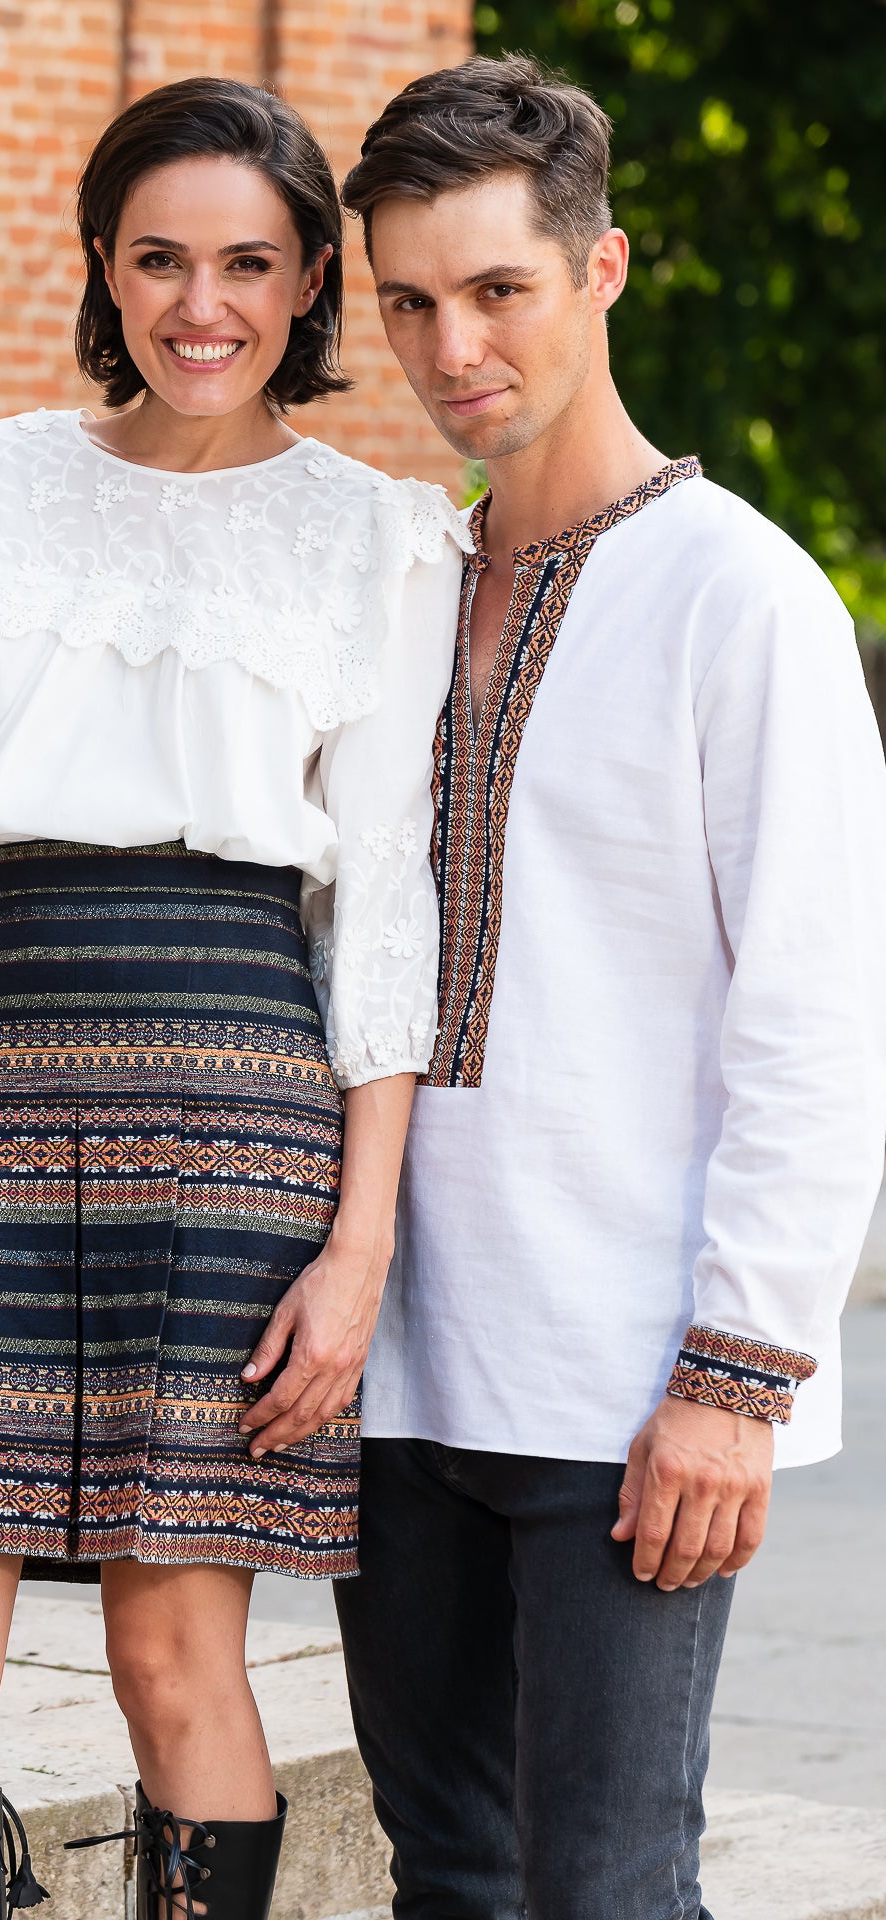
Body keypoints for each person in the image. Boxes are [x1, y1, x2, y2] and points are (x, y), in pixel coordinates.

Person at [0, 74, 466, 1920]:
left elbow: (385, 912)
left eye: (249, 264)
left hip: (238, 1117)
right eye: (162, 258)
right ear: (104, 263)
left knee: (174, 1661)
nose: (203, 304)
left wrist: (361, 1246)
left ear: (311, 280)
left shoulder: (380, 536)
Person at [328, 54, 886, 1920]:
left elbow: (819, 1019)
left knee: (610, 1887)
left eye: (500, 288)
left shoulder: (745, 598)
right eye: (411, 300)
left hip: (630, 1383)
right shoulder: (399, 587)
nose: (453, 346)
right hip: (402, 1365)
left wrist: (737, 1375)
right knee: (448, 1878)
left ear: (603, 269)